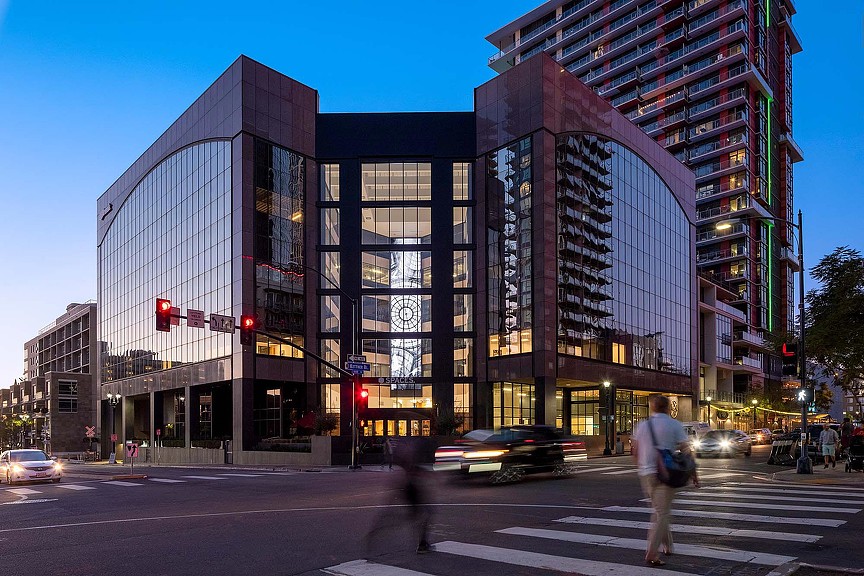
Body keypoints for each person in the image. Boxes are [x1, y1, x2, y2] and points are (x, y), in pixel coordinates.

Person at [631, 395, 699, 567]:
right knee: (661, 513)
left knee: (659, 510)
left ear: (652, 407)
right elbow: (686, 450)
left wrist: (642, 467)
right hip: (667, 474)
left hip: (646, 474)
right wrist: (694, 473)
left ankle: (668, 545)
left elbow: (635, 451)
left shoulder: (642, 425)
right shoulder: (674, 424)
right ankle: (652, 553)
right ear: (668, 408)